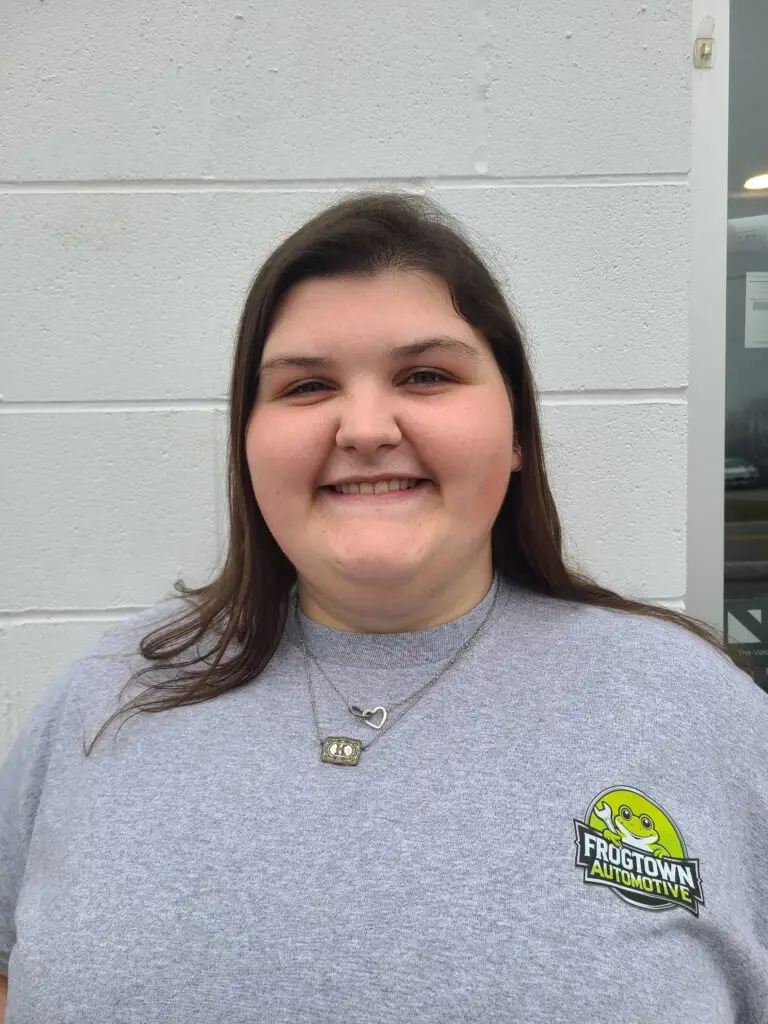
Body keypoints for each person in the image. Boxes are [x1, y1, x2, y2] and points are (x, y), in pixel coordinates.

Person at [1, 190, 767, 1024]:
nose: (365, 428)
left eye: (426, 376)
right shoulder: (105, 701)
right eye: (306, 386)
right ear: (246, 441)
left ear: (517, 435)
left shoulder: (696, 710)